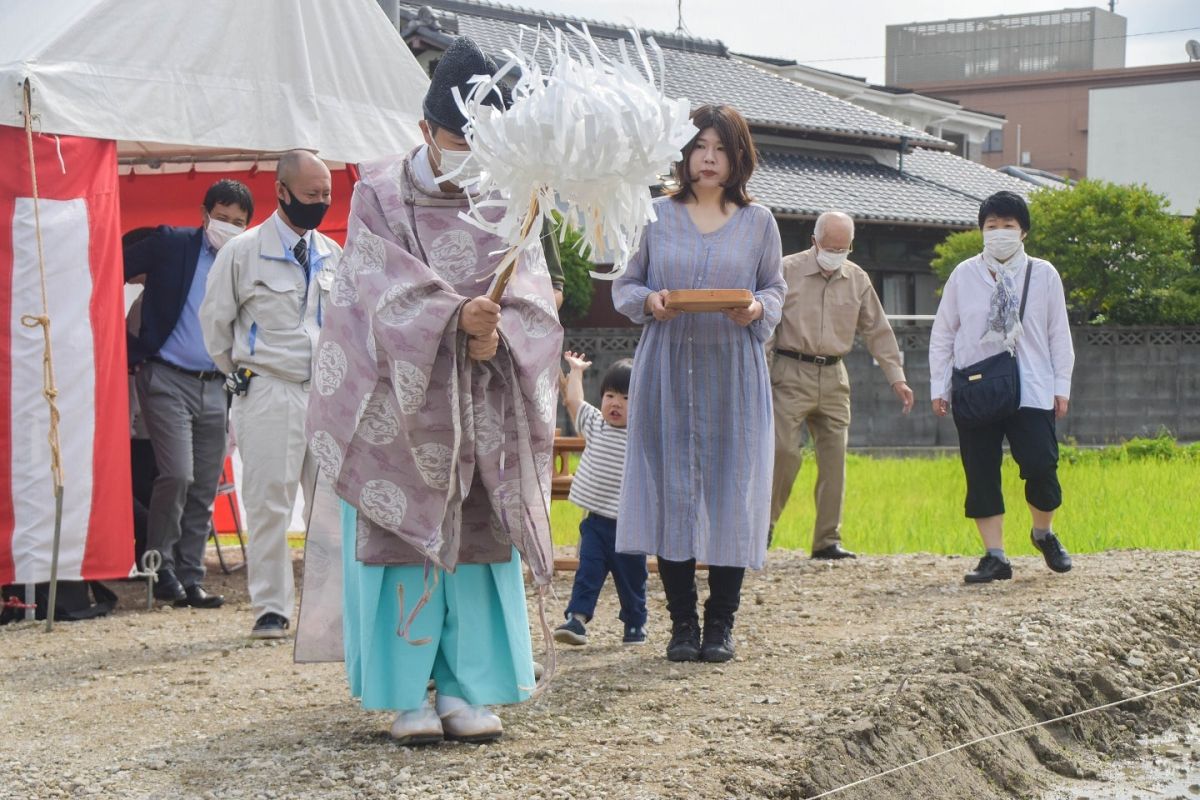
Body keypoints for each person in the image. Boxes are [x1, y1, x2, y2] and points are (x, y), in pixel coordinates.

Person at [303, 35, 562, 744]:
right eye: (457, 138)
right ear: (424, 129)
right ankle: (405, 694)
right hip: (397, 406)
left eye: (484, 141)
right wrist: (451, 316)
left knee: (478, 546)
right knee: (400, 547)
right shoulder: (381, 192)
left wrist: (496, 333)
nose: (469, 153)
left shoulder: (514, 197)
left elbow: (536, 296)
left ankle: (467, 688)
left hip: (480, 400)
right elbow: (370, 287)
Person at [612, 103, 785, 664]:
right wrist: (651, 301)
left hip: (734, 370)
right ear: (683, 155)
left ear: (739, 157)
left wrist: (757, 307)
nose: (708, 159)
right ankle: (682, 624)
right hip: (667, 368)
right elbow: (627, 284)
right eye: (698, 148)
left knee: (732, 490)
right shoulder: (653, 215)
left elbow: (775, 290)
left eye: (720, 148)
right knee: (672, 492)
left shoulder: (760, 223)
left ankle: (722, 624)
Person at [199, 150, 342, 638]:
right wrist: (245, 370)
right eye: (310, 195)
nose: (320, 203)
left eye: (326, 195)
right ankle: (272, 608)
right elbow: (215, 325)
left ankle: (332, 610)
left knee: (331, 505)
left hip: (324, 393)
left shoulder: (331, 253)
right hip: (268, 390)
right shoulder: (242, 252)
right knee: (269, 504)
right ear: (281, 192)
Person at [929, 190, 1075, 584]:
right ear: (981, 231)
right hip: (976, 387)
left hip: (1032, 386)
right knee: (980, 471)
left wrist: (1062, 385)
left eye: (1007, 226)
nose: (999, 233)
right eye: (991, 226)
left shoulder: (1043, 274)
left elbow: (1058, 333)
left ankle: (1043, 532)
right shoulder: (964, 274)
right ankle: (995, 557)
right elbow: (944, 332)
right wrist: (939, 386)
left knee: (1042, 465)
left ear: (1023, 231)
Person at [124, 180, 254, 608]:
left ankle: (189, 576)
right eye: (223, 217)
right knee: (176, 474)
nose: (229, 227)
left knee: (202, 485)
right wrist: (127, 347)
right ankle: (158, 566)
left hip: (217, 384)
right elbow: (108, 267)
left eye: (239, 222)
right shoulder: (171, 243)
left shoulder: (246, 262)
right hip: (166, 377)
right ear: (204, 212)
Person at [767, 211, 914, 560]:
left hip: (834, 375)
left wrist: (898, 378)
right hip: (789, 371)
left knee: (834, 459)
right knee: (783, 452)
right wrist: (761, 371)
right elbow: (767, 326)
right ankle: (763, 527)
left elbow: (877, 329)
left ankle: (827, 540)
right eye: (829, 246)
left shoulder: (857, 278)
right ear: (814, 242)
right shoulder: (785, 271)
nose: (835, 253)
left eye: (843, 248)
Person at [553, 353, 646, 647]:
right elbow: (573, 401)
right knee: (588, 571)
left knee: (631, 578)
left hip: (630, 526)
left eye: (627, 398)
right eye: (609, 395)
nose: (615, 403)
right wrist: (577, 372)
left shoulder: (642, 436)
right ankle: (577, 620)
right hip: (594, 522)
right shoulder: (595, 424)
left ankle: (635, 622)